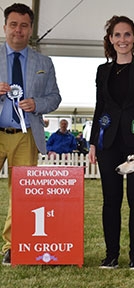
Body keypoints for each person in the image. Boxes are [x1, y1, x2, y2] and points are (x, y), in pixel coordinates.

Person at [88, 15, 134, 269]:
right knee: (111, 200)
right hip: (108, 143)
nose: (122, 40)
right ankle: (111, 255)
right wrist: (93, 142)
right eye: (117, 35)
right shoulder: (102, 71)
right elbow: (100, 107)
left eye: (127, 34)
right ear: (110, 39)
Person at [0, 3, 61, 264]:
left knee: (21, 194)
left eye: (24, 25)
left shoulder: (44, 62)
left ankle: (11, 246)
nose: (18, 30)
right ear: (5, 27)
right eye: (13, 24)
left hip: (27, 136)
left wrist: (38, 104)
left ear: (30, 28)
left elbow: (55, 97)